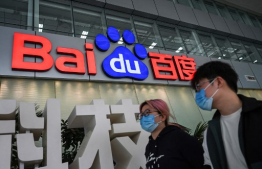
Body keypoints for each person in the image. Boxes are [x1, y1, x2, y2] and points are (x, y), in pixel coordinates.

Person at [191, 61, 262, 169]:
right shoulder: (210, 131)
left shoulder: (258, 114)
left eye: (199, 87)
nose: (198, 94)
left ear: (218, 82)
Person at [139, 99, 204, 169]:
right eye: (141, 115)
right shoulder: (149, 147)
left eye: (147, 112)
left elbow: (202, 163)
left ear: (163, 117)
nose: (143, 117)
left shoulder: (179, 138)